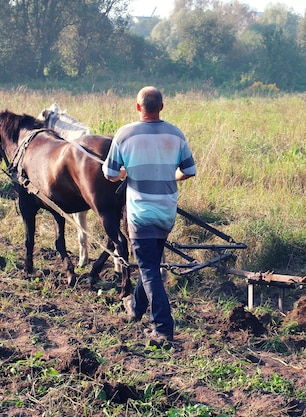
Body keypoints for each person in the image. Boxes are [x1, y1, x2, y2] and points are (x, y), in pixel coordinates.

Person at [103, 86, 197, 344]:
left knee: (148, 270)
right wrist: (172, 175)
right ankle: (134, 306)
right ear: (162, 107)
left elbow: (110, 174)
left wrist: (124, 174)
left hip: (141, 213)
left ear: (137, 107)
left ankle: (163, 327)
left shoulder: (125, 134)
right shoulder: (175, 134)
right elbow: (189, 170)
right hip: (166, 212)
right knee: (151, 265)